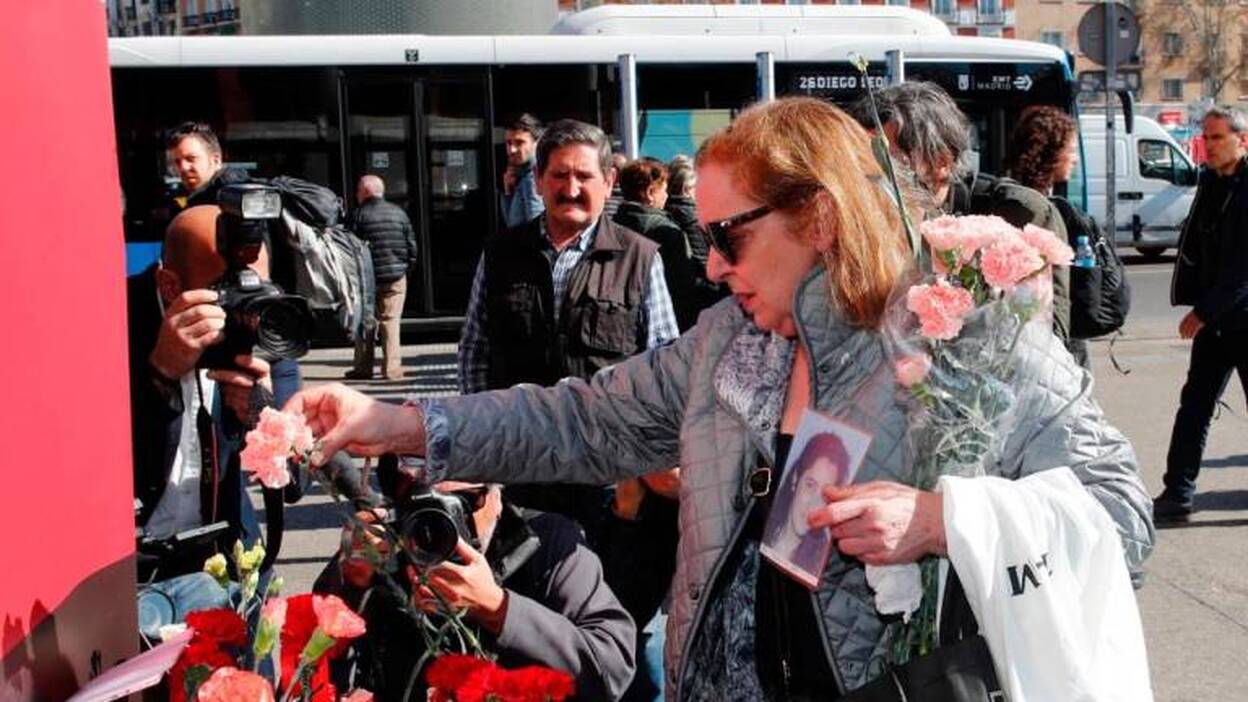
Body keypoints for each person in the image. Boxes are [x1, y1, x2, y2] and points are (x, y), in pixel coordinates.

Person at [287, 98, 1153, 699]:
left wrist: (942, 519)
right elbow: (583, 420)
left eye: (728, 237)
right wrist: (397, 423)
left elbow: (1121, 516)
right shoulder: (726, 343)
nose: (709, 266)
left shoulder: (966, 339)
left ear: (818, 218)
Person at [457, 119, 679, 701]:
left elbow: (664, 375)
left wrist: (636, 480)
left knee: (623, 645)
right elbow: (476, 357)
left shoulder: (641, 257)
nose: (572, 188)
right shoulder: (501, 254)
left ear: (609, 182)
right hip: (520, 492)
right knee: (530, 649)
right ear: (538, 179)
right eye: (560, 176)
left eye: (585, 176)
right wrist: (479, 464)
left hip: (611, 499)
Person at [314, 458, 637, 700]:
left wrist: (499, 608)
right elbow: (304, 672)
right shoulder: (385, 549)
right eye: (425, 506)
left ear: (497, 497)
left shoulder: (548, 544)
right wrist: (350, 584)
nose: (444, 527)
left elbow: (611, 670)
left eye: (464, 504)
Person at [127, 205, 295, 641]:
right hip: (129, 573)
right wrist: (159, 376)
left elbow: (296, 479)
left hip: (228, 560)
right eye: (224, 295)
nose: (245, 310)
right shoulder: (112, 323)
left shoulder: (269, 325)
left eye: (255, 289)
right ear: (168, 285)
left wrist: (265, 424)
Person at [847, 83, 1073, 345]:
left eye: (889, 161)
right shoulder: (863, 222)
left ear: (942, 162)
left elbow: (1049, 336)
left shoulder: (1018, 213)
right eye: (862, 161)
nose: (872, 175)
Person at [1156, 106, 1248, 523]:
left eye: (1216, 138)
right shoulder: (1211, 182)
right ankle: (1177, 492)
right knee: (1194, 405)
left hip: (1240, 317)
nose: (1207, 146)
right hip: (1215, 322)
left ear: (1240, 140)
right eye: (1205, 137)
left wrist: (1203, 311)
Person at [614, 158, 702, 331]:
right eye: (664, 190)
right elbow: (683, 286)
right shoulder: (668, 233)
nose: (667, 196)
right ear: (649, 193)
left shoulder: (611, 226)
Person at [346, 175, 418, 381]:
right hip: (395, 276)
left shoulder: (358, 215)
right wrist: (405, 270)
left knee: (365, 321)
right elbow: (412, 247)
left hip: (365, 279)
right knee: (391, 321)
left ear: (365, 192)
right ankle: (392, 369)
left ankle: (363, 368)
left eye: (358, 191)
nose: (356, 195)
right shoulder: (399, 213)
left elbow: (351, 249)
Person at [762, 433, 849, 578]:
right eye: (810, 485)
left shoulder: (819, 565)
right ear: (795, 478)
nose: (814, 505)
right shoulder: (762, 517)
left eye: (825, 495)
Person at [165, 122, 248, 210]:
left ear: (216, 160)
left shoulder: (235, 197)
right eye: (177, 162)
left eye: (191, 158)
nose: (183, 168)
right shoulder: (179, 200)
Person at [500, 113, 545, 228]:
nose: (512, 150)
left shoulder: (533, 177)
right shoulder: (523, 175)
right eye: (509, 143)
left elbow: (537, 231)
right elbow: (512, 223)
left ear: (537, 143)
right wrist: (508, 192)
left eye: (520, 142)